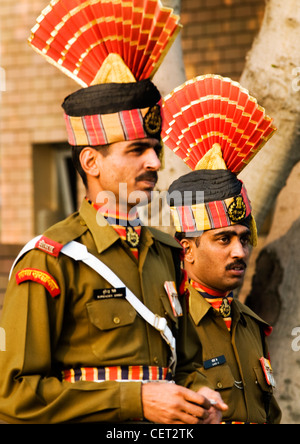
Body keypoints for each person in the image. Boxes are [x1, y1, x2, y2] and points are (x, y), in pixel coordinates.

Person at [0, 0, 227, 424]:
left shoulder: (170, 254)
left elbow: (192, 361)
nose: (156, 164)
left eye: (156, 151)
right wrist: (133, 401)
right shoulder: (50, 262)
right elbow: (13, 396)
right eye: (138, 150)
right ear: (91, 162)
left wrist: (200, 393)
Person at [163, 75, 282, 424]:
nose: (240, 252)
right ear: (187, 249)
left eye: (244, 239)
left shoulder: (249, 325)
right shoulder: (169, 324)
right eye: (223, 239)